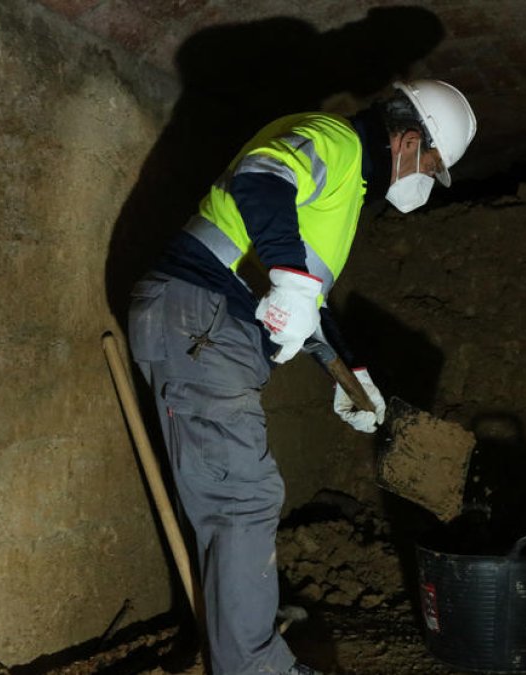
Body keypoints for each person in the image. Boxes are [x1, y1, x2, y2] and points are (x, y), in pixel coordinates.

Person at [126, 80, 476, 675]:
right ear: (410, 140)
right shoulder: (335, 141)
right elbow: (261, 177)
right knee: (243, 499)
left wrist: (351, 373)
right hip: (200, 312)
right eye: (432, 166)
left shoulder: (346, 190)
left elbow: (302, 299)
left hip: (209, 322)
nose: (426, 182)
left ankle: (244, 653)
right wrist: (290, 279)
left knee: (240, 497)